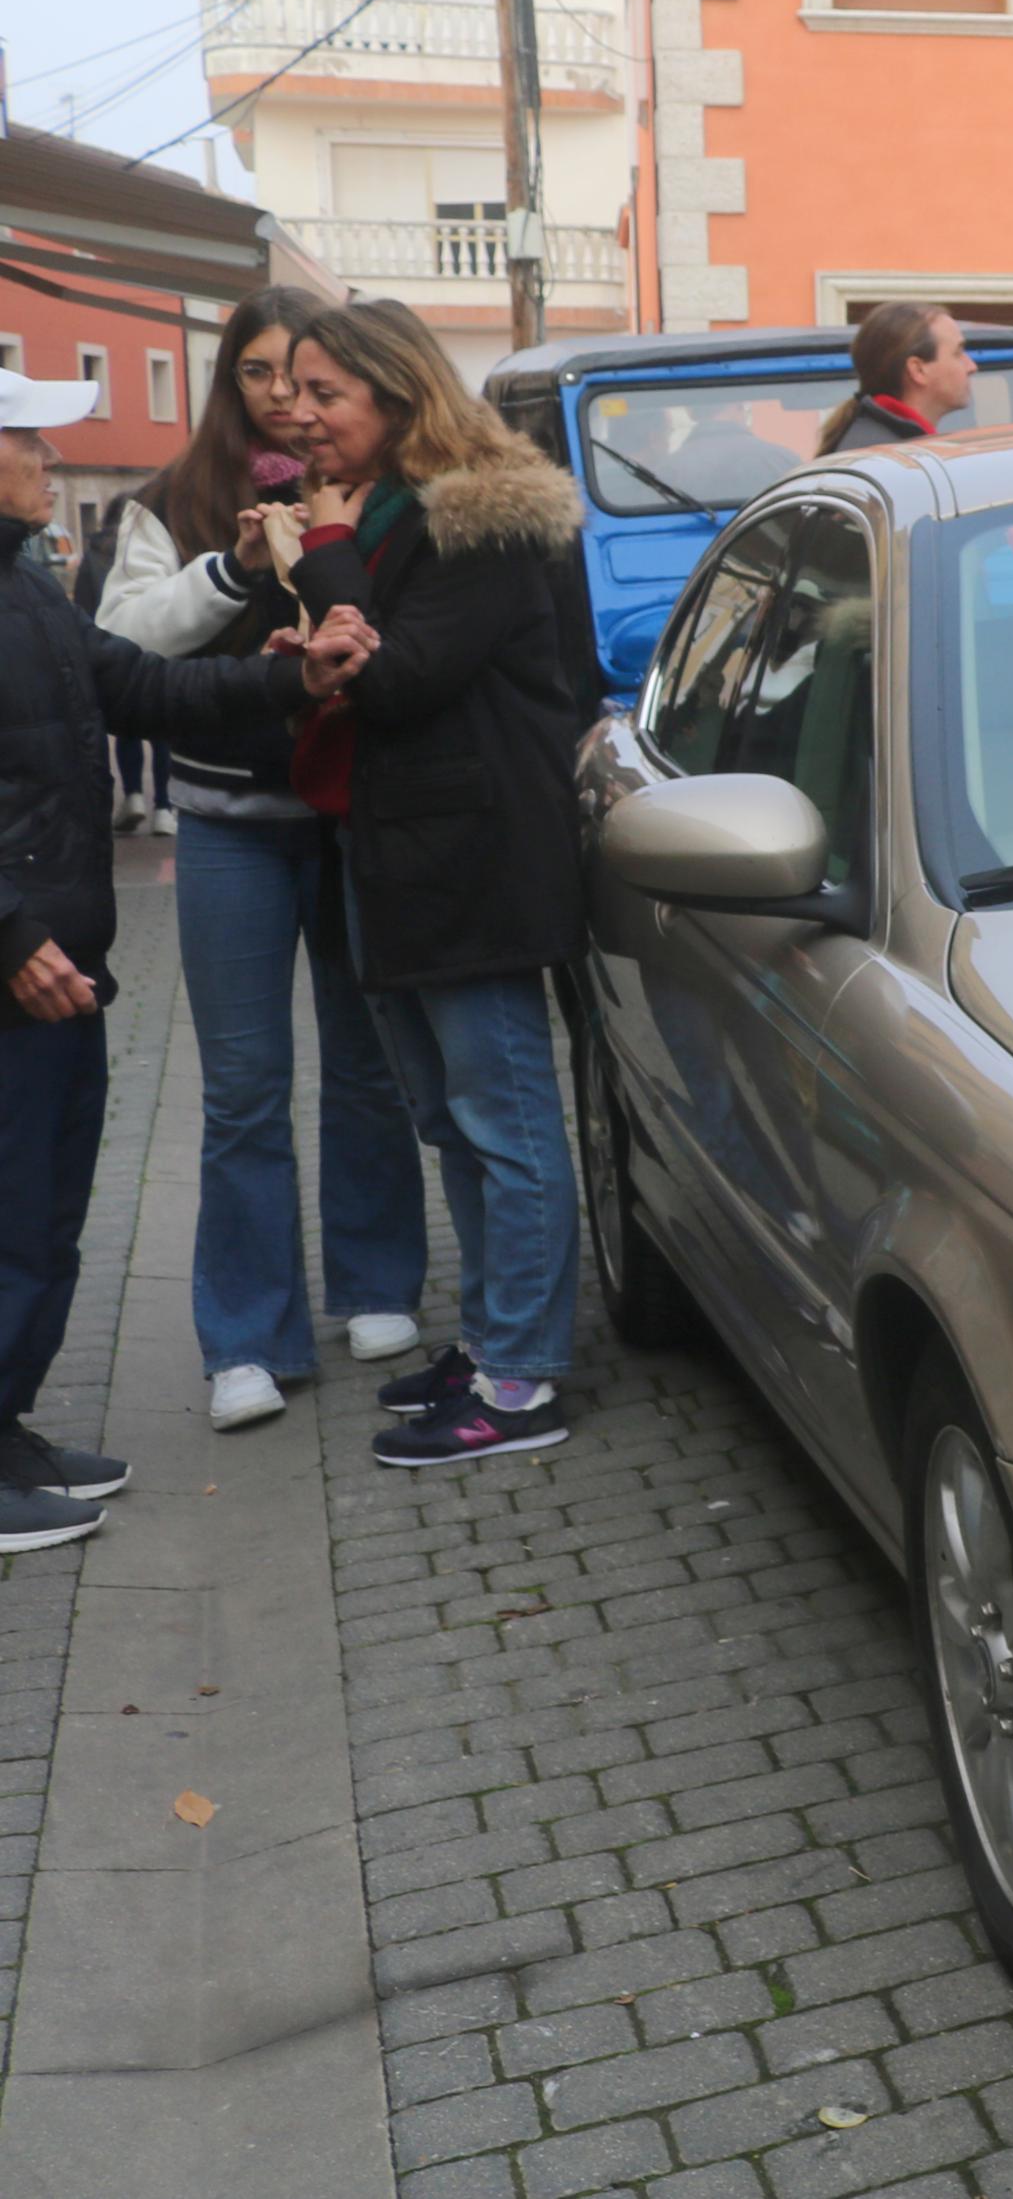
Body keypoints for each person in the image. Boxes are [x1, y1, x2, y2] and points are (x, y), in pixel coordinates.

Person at [0, 368, 377, 1549]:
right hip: (22, 955)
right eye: (28, 438)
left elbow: (140, 685)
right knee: (9, 1214)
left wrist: (287, 676)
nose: (50, 458)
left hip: (61, 952)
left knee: (49, 1209)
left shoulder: (26, 581)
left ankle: (7, 1426)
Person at [97, 287, 437, 1427]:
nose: (284, 397)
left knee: (366, 1060)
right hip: (228, 823)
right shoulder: (175, 499)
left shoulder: (382, 490)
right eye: (258, 372)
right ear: (227, 380)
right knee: (243, 1090)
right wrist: (237, 571)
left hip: (350, 819)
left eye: (304, 374)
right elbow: (121, 648)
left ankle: (379, 1283)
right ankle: (246, 1334)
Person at [277, 300, 596, 1468]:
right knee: (447, 1119)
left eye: (324, 394)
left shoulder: (480, 517)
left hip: (476, 866)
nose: (296, 413)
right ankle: (496, 1337)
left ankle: (520, 1381)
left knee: (506, 1126)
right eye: (292, 392)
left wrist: (321, 549)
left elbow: (399, 675)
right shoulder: (398, 510)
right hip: (406, 857)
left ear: (398, 395)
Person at [65, 519, 161, 834]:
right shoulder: (154, 553)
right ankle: (163, 807)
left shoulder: (95, 556)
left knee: (125, 728)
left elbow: (83, 605)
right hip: (157, 647)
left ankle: (132, 794)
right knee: (163, 730)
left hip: (109, 648)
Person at [817, 300, 972, 454]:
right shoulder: (886, 458)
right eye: (957, 353)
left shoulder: (892, 449)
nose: (971, 366)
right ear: (918, 370)